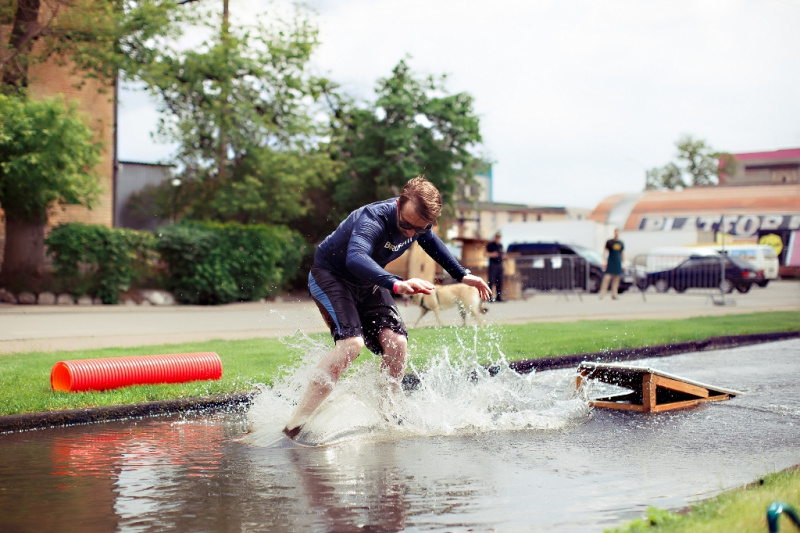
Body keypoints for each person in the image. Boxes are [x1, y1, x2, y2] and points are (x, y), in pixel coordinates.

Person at [283, 176, 492, 439]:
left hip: (369, 280)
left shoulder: (418, 224)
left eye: (419, 229)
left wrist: (462, 275)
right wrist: (396, 283)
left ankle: (388, 415)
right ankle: (294, 426)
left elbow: (430, 242)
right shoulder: (372, 218)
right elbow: (356, 258)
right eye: (405, 225)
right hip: (331, 276)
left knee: (397, 344)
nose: (409, 233)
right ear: (398, 204)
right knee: (352, 345)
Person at [600, 228, 625, 299]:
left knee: (616, 279)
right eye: (615, 232)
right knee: (607, 278)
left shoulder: (621, 243)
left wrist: (624, 263)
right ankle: (602, 293)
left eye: (618, 232)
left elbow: (622, 253)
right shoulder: (609, 242)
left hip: (618, 262)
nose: (616, 234)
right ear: (614, 233)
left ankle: (614, 294)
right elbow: (605, 251)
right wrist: (603, 261)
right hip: (610, 262)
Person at [485, 232, 504, 302]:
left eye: (499, 237)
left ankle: (498, 297)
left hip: (500, 264)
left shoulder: (500, 245)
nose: (498, 239)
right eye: (497, 237)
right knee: (491, 281)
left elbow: (501, 253)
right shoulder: (491, 245)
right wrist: (492, 254)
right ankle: (489, 297)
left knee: (499, 281)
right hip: (493, 264)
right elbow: (485, 253)